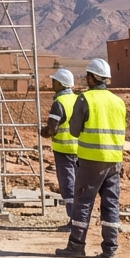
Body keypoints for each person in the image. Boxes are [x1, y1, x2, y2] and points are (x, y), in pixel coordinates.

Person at [56, 58, 126, 258]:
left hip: (91, 161)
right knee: (111, 204)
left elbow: (75, 130)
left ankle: (76, 245)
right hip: (114, 160)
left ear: (91, 77)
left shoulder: (84, 99)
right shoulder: (118, 101)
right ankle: (110, 248)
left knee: (83, 202)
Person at [41, 68, 79, 223]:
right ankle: (80, 219)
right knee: (79, 185)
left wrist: (42, 131)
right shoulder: (78, 99)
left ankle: (73, 221)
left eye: (54, 81)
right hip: (81, 150)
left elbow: (51, 129)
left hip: (64, 151)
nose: (52, 83)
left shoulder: (59, 103)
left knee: (68, 186)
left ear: (60, 84)